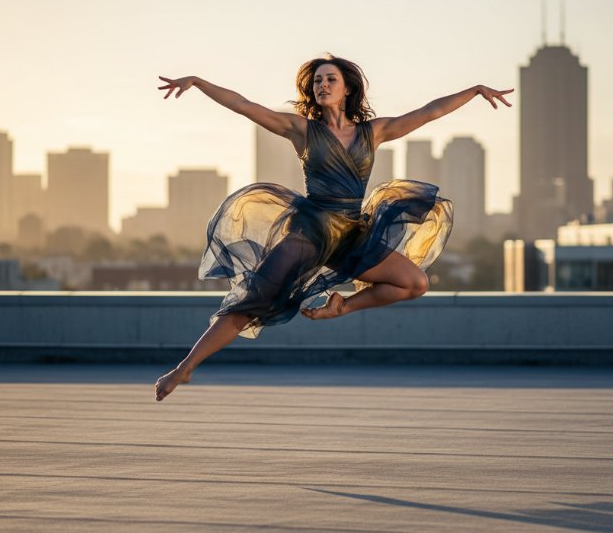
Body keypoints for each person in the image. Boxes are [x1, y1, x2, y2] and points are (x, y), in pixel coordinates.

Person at [154, 54, 513, 401]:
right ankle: (184, 368)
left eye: (331, 79)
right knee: (250, 303)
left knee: (414, 282)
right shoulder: (302, 130)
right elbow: (244, 104)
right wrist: (199, 83)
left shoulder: (374, 132)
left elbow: (428, 112)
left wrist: (476, 90)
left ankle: (341, 307)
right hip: (309, 232)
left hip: (351, 235)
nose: (322, 85)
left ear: (347, 90)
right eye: (317, 81)